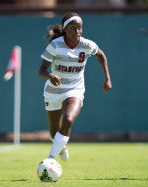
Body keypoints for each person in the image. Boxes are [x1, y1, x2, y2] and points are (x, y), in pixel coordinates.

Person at [38, 12, 112, 161]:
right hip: (54, 91)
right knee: (54, 133)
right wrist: (51, 75)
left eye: (79, 28)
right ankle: (61, 145)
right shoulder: (55, 45)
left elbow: (101, 55)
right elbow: (41, 70)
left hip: (75, 89)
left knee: (68, 120)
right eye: (73, 28)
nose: (77, 31)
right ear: (65, 29)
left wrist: (107, 78)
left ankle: (50, 159)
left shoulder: (87, 44)